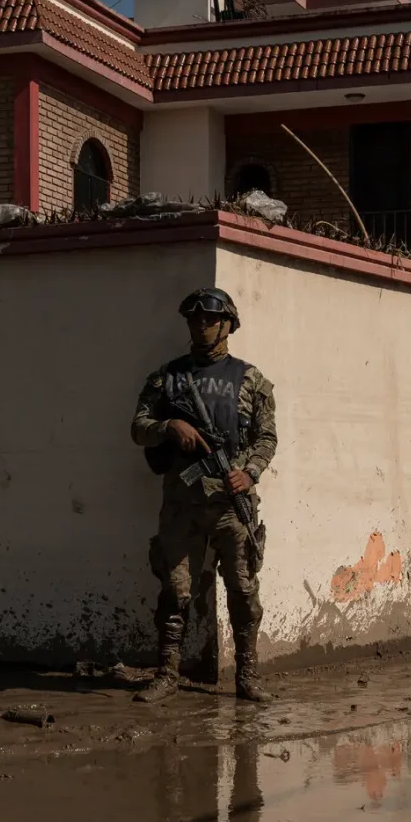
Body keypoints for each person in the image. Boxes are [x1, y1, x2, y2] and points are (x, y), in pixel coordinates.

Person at [130, 287, 278, 703]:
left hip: (232, 507)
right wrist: (169, 427)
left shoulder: (251, 380)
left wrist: (248, 473)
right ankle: (167, 674)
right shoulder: (168, 378)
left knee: (244, 591)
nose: (201, 326)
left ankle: (247, 676)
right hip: (182, 503)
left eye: (210, 319)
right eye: (194, 319)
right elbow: (139, 426)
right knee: (175, 591)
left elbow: (266, 438)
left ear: (227, 324)